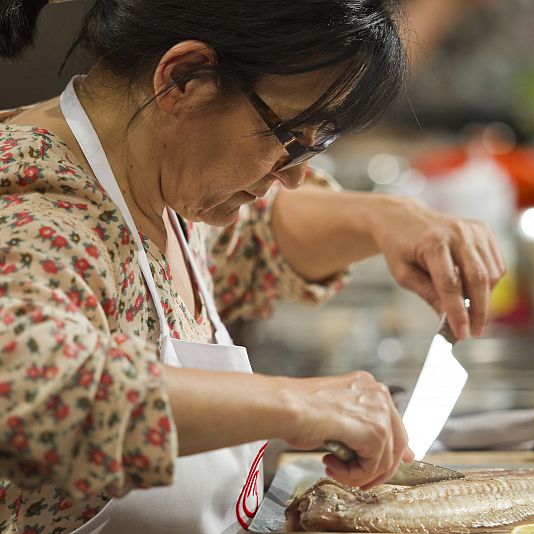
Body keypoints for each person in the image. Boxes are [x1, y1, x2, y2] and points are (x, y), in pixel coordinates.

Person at [0, 0, 505, 532]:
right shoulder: (40, 207)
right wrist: (298, 402)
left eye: (317, 144)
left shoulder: (155, 173)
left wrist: (387, 218)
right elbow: (36, 390)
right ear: (184, 79)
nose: (293, 177)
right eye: (289, 138)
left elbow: (255, 235)